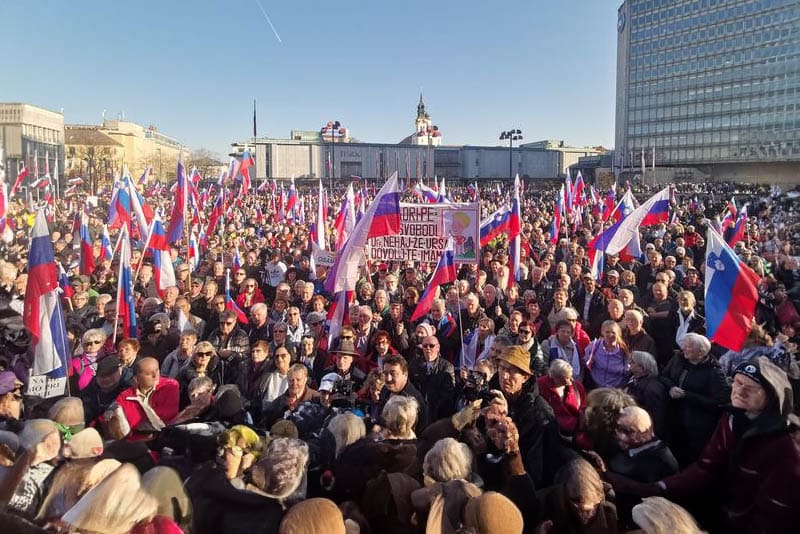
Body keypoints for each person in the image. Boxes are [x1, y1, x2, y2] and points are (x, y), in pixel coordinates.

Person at [660, 333, 729, 465]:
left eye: (689, 346)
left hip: (696, 427)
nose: (684, 348)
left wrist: (687, 395)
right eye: (684, 345)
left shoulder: (714, 372)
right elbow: (664, 376)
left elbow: (720, 402)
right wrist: (671, 387)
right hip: (674, 417)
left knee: (691, 459)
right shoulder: (678, 359)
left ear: (701, 351)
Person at [114, 357, 180, 441]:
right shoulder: (124, 397)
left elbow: (169, 414)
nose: (155, 376)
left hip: (165, 437)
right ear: (136, 378)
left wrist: (140, 424)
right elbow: (123, 426)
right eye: (149, 373)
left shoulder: (170, 385)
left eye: (157, 370)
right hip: (135, 442)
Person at [408, 335, 456, 421]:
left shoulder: (447, 367)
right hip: (417, 411)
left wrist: (431, 409)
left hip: (439, 414)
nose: (428, 348)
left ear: (438, 347)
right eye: (425, 346)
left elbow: (448, 394)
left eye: (431, 346)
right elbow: (411, 387)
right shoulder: (414, 365)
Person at [379, 354, 430, 432]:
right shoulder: (385, 390)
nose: (388, 379)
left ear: (405, 374)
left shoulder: (414, 401)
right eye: (385, 373)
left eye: (393, 374)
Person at [537, 359, 586, 437]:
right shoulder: (541, 385)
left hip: (574, 431)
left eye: (570, 376)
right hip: (550, 431)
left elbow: (583, 407)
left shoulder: (577, 387)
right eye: (565, 377)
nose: (569, 380)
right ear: (554, 377)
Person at [624, 351, 668, 437]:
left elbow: (656, 416)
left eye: (633, 362)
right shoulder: (631, 378)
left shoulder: (652, 389)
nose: (629, 363)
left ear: (642, 368)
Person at [261, 364, 320, 428]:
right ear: (287, 380)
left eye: (298, 380)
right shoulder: (277, 403)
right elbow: (267, 425)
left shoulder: (316, 399)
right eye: (291, 380)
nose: (294, 383)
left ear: (305, 380)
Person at [584, 320, 630, 389]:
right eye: (607, 332)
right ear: (602, 332)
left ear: (618, 334)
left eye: (613, 332)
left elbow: (627, 370)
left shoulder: (623, 350)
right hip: (595, 386)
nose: (610, 335)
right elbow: (585, 361)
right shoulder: (594, 345)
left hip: (616, 389)